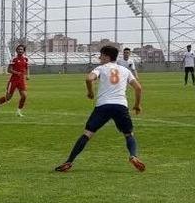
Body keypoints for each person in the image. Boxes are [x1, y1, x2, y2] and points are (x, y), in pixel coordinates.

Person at [55, 45, 145, 173]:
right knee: (128, 134)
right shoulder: (125, 70)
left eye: (101, 55)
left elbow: (88, 78)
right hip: (120, 106)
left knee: (87, 134)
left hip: (103, 106)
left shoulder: (101, 68)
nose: (99, 58)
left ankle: (69, 161)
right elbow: (138, 88)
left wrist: (90, 92)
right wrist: (137, 105)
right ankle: (133, 156)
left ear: (107, 57)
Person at [0, 43, 29, 116]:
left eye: (21, 49)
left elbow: (27, 68)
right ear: (16, 51)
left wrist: (27, 75)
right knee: (8, 98)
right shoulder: (14, 59)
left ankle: (18, 112)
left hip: (21, 80)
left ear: (24, 51)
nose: (20, 50)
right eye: (18, 49)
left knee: (24, 96)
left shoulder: (25, 59)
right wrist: (16, 72)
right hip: (13, 80)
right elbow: (9, 70)